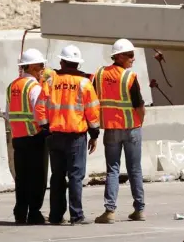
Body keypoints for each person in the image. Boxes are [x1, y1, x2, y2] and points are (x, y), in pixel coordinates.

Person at [35, 44, 101, 225]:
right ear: (78, 64)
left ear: (62, 62)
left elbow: (39, 107)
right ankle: (76, 216)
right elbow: (93, 112)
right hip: (76, 137)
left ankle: (56, 216)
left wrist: (45, 128)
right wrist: (94, 134)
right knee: (75, 176)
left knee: (57, 176)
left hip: (55, 135)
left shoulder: (50, 82)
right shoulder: (85, 83)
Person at [93, 39, 146, 224]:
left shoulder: (99, 74)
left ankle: (109, 211)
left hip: (111, 130)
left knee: (113, 170)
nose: (133, 59)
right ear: (119, 56)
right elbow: (139, 105)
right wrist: (140, 122)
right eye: (130, 55)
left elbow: (92, 98)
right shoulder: (129, 77)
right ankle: (139, 210)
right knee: (135, 170)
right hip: (131, 128)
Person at [6, 48, 49, 225]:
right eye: (40, 65)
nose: (42, 69)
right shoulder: (34, 87)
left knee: (22, 178)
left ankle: (20, 212)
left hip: (18, 138)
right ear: (31, 66)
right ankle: (34, 213)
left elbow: (9, 114)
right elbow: (40, 113)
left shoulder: (12, 86)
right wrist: (47, 130)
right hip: (35, 136)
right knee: (38, 177)